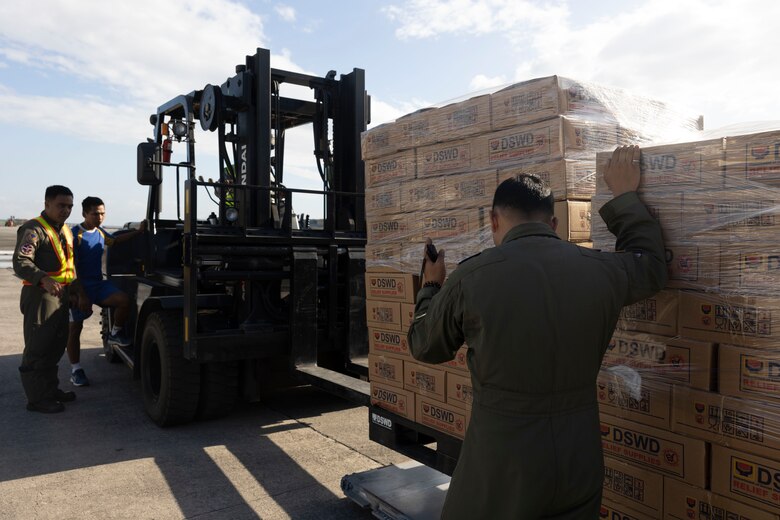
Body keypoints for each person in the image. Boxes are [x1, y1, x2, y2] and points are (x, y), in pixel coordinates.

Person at [408, 145, 667, 519]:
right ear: (554, 224)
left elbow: (425, 346)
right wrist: (625, 196)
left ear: (494, 221)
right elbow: (651, 267)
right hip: (579, 453)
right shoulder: (600, 269)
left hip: (502, 457)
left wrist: (431, 288)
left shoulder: (473, 277)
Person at [13, 185, 88, 413]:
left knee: (55, 346)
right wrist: (42, 279)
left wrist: (75, 290)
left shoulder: (64, 230)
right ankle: (36, 399)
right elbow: (21, 261)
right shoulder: (33, 229)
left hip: (61, 296)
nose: (66, 210)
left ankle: (49, 390)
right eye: (61, 206)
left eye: (69, 207)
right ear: (47, 204)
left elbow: (68, 266)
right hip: (40, 297)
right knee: (38, 348)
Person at [66, 196, 146, 387]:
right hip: (79, 288)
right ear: (84, 213)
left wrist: (137, 232)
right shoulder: (73, 235)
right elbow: (70, 267)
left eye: (102, 213)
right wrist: (80, 295)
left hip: (97, 284)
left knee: (124, 300)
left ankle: (115, 333)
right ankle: (75, 370)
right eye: (95, 214)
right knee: (75, 329)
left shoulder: (100, 232)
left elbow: (115, 241)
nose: (99, 217)